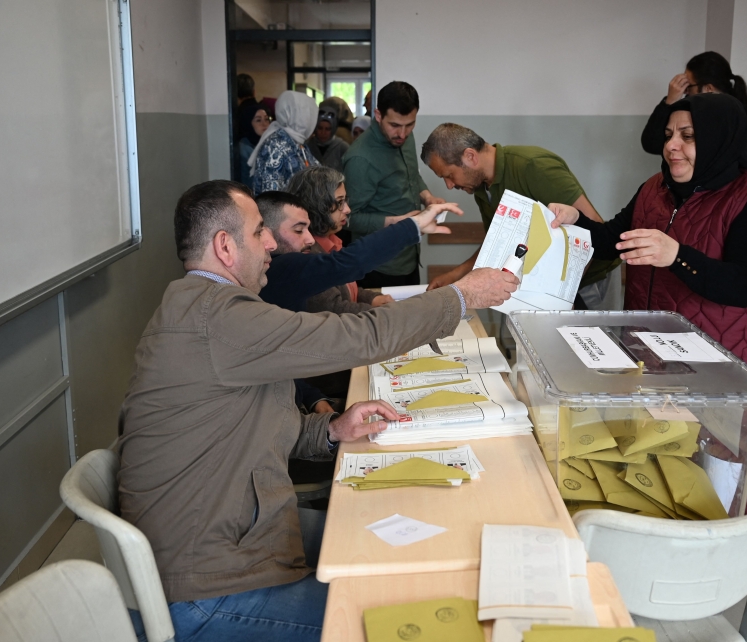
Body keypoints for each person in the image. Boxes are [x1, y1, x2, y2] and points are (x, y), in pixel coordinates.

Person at [118, 179, 517, 642]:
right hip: (208, 591)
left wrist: (330, 429)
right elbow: (361, 338)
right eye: (257, 233)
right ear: (225, 247)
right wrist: (464, 296)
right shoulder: (220, 319)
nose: (271, 243)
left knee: (381, 548)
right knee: (407, 619)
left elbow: (252, 423)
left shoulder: (200, 308)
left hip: (226, 540)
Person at [549, 94, 747, 514]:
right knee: (665, 464)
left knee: (720, 476)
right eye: (668, 135)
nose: (671, 145)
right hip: (656, 354)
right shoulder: (654, 190)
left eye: (688, 136)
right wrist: (576, 222)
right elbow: (612, 240)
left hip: (726, 361)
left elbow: (744, 285)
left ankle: (725, 565)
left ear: (718, 139)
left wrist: (676, 255)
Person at [420, 123, 618, 304]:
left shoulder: (534, 166)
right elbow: (496, 242)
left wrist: (558, 295)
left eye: (449, 175)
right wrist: (456, 276)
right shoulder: (481, 187)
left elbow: (593, 227)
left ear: (470, 157)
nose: (449, 185)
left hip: (587, 283)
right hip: (537, 289)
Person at [260, 192, 459, 313]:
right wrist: (411, 227)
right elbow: (349, 263)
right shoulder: (280, 268)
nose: (310, 239)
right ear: (265, 234)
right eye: (298, 230)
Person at [342, 81, 446, 288]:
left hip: (409, 256)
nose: (402, 134)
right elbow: (347, 219)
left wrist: (427, 197)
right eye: (395, 126)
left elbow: (410, 174)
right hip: (377, 265)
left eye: (410, 124)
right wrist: (398, 221)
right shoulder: (360, 159)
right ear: (378, 115)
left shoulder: (404, 136)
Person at [641, 51, 747, 181]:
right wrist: (670, 101)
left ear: (709, 89)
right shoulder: (691, 117)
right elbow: (651, 144)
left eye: (689, 86)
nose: (685, 92)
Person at [287, 166, 391, 313]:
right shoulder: (308, 254)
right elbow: (333, 309)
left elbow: (344, 290)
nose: (347, 209)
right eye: (340, 202)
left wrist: (371, 298)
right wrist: (386, 313)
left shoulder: (331, 242)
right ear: (318, 206)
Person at [247, 90, 319, 193]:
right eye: (305, 113)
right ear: (293, 115)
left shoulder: (298, 143)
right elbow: (270, 196)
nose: (309, 119)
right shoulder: (275, 146)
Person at [305, 101, 349, 171]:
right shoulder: (307, 146)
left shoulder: (343, 148)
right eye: (320, 128)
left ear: (333, 129)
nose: (323, 132)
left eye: (328, 129)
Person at [236, 102, 273, 183]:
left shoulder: (270, 142)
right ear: (248, 123)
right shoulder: (244, 147)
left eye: (266, 119)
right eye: (258, 120)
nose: (264, 124)